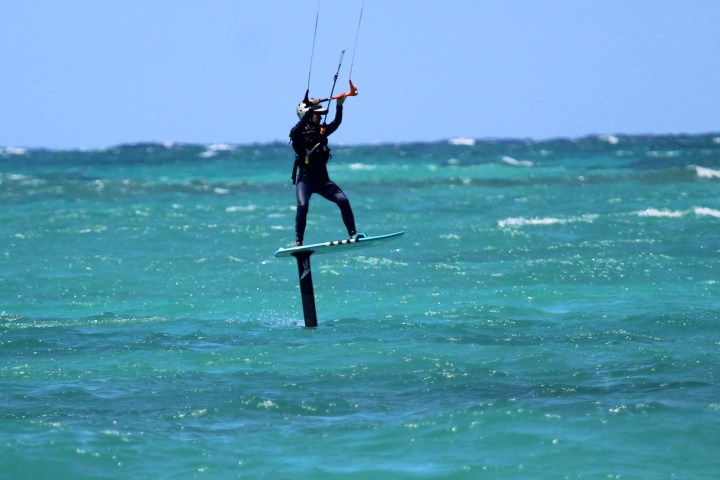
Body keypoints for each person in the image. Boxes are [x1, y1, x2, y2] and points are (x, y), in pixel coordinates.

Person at [289, 93, 363, 246]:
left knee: (343, 201)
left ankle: (353, 234)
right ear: (307, 115)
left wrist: (339, 105)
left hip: (323, 180)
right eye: (317, 115)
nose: (320, 118)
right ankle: (298, 241)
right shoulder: (297, 134)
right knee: (303, 206)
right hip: (305, 181)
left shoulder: (321, 130)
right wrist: (311, 109)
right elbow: (296, 130)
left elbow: (336, 123)